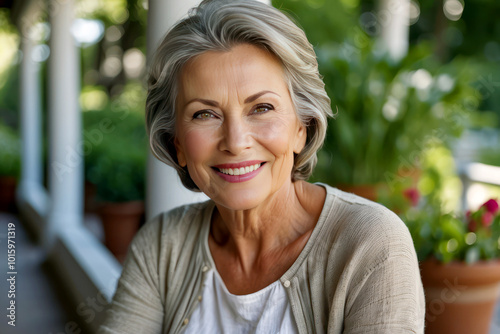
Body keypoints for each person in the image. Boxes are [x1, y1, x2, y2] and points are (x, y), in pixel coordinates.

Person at [98, 0, 425, 333]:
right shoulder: (162, 245)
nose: (236, 141)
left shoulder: (371, 244)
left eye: (262, 108)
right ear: (178, 144)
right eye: (204, 114)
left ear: (302, 127)